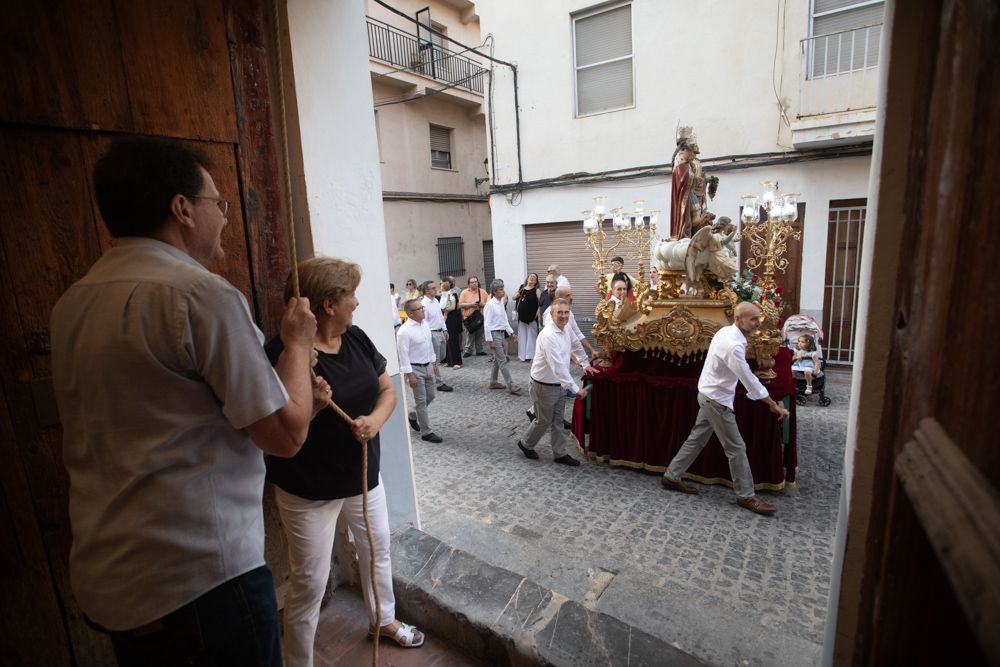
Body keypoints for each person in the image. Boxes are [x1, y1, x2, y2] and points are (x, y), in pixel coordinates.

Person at [49, 136, 318, 666]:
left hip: (115, 574)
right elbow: (286, 434)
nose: (224, 217)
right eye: (218, 204)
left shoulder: (72, 302)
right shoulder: (201, 296)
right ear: (182, 209)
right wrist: (298, 343)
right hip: (201, 583)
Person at [265, 258, 424, 666]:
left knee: (377, 548)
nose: (357, 301)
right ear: (328, 304)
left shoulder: (356, 339)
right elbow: (276, 430)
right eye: (349, 295)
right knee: (310, 581)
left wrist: (374, 419)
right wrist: (314, 408)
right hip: (308, 488)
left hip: (362, 476)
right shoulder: (282, 353)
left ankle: (383, 620)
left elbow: (386, 390)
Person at [660, 302, 790, 515]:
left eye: (759, 318)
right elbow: (748, 379)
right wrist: (773, 405)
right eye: (753, 319)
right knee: (736, 448)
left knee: (697, 438)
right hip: (715, 400)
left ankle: (671, 476)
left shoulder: (726, 331)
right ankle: (746, 496)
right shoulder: (733, 345)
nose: (758, 323)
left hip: (709, 395)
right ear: (739, 320)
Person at [517, 299, 593, 466]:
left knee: (558, 421)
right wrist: (575, 388)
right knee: (543, 420)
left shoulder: (566, 329)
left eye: (566, 312)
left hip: (559, 385)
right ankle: (525, 443)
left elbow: (576, 345)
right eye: (560, 312)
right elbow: (558, 367)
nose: (564, 316)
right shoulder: (548, 336)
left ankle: (560, 454)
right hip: (543, 386)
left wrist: (586, 364)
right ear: (551, 314)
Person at [397, 298, 443, 443]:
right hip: (415, 369)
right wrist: (410, 375)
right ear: (410, 313)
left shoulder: (425, 324)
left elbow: (428, 344)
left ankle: (412, 414)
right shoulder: (404, 332)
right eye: (419, 309)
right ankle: (426, 432)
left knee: (431, 396)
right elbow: (403, 355)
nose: (423, 310)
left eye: (422, 308)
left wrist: (433, 359)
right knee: (422, 402)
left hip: (428, 366)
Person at [484, 279, 522, 395]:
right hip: (494, 334)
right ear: (494, 292)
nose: (503, 291)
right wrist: (490, 341)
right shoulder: (490, 305)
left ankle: (493, 382)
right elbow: (487, 324)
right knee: (502, 360)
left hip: (501, 333)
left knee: (498, 360)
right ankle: (511, 385)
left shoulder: (501, 303)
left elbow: (505, 321)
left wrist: (512, 333)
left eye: (502, 289)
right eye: (501, 290)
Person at [670, 127, 706, 239]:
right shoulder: (680, 162)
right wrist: (695, 179)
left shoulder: (688, 163)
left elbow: (692, 178)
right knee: (689, 216)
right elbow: (684, 180)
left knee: (697, 211)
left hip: (691, 193)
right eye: (692, 152)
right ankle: (684, 234)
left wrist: (702, 180)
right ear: (684, 149)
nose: (694, 156)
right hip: (685, 196)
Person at [420, 280, 453, 392]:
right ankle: (438, 383)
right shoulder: (423, 304)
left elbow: (440, 316)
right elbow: (424, 323)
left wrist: (445, 329)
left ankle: (428, 376)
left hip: (440, 331)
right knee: (435, 359)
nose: (436, 289)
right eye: (433, 288)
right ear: (427, 291)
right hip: (432, 333)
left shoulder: (435, 301)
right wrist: (429, 336)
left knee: (441, 356)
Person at [459, 276, 489, 357]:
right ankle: (468, 351)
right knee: (469, 334)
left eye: (476, 281)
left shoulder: (482, 292)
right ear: (468, 284)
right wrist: (472, 304)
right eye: (472, 282)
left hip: (480, 317)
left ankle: (480, 350)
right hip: (469, 317)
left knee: (480, 334)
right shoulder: (464, 292)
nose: (474, 283)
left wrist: (481, 304)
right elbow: (461, 304)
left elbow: (488, 304)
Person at [514, 272, 541, 361]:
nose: (532, 278)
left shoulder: (537, 290)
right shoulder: (522, 287)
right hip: (521, 317)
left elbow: (540, 304)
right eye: (530, 276)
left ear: (536, 281)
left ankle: (530, 356)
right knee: (522, 336)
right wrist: (518, 293)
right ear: (527, 278)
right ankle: (522, 356)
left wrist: (537, 315)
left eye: (534, 277)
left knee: (531, 337)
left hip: (531, 317)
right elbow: (513, 297)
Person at [440, 277, 463, 368]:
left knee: (453, 339)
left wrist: (443, 309)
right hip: (447, 318)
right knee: (447, 340)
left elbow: (452, 307)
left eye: (441, 283)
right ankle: (449, 361)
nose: (440, 285)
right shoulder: (444, 294)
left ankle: (458, 362)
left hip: (452, 318)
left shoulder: (452, 294)